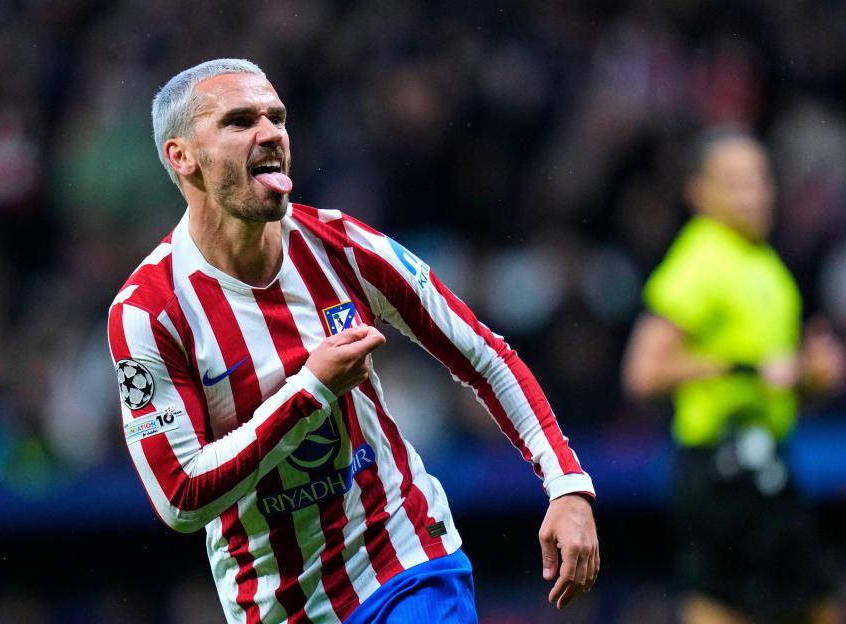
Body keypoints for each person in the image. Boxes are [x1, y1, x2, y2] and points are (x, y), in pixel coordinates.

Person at [107, 58, 598, 624]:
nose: (270, 133)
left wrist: (567, 484)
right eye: (240, 121)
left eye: (277, 117)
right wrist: (311, 390)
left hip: (403, 560)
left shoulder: (342, 245)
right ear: (182, 156)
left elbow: (485, 356)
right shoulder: (149, 311)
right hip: (272, 601)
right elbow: (181, 496)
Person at [622, 127, 845, 624]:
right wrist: (741, 368)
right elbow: (643, 371)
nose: (755, 194)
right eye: (737, 182)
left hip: (765, 456)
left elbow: (774, 377)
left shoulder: (764, 264)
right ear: (699, 192)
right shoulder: (698, 262)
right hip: (718, 468)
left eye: (761, 180)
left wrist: (811, 373)